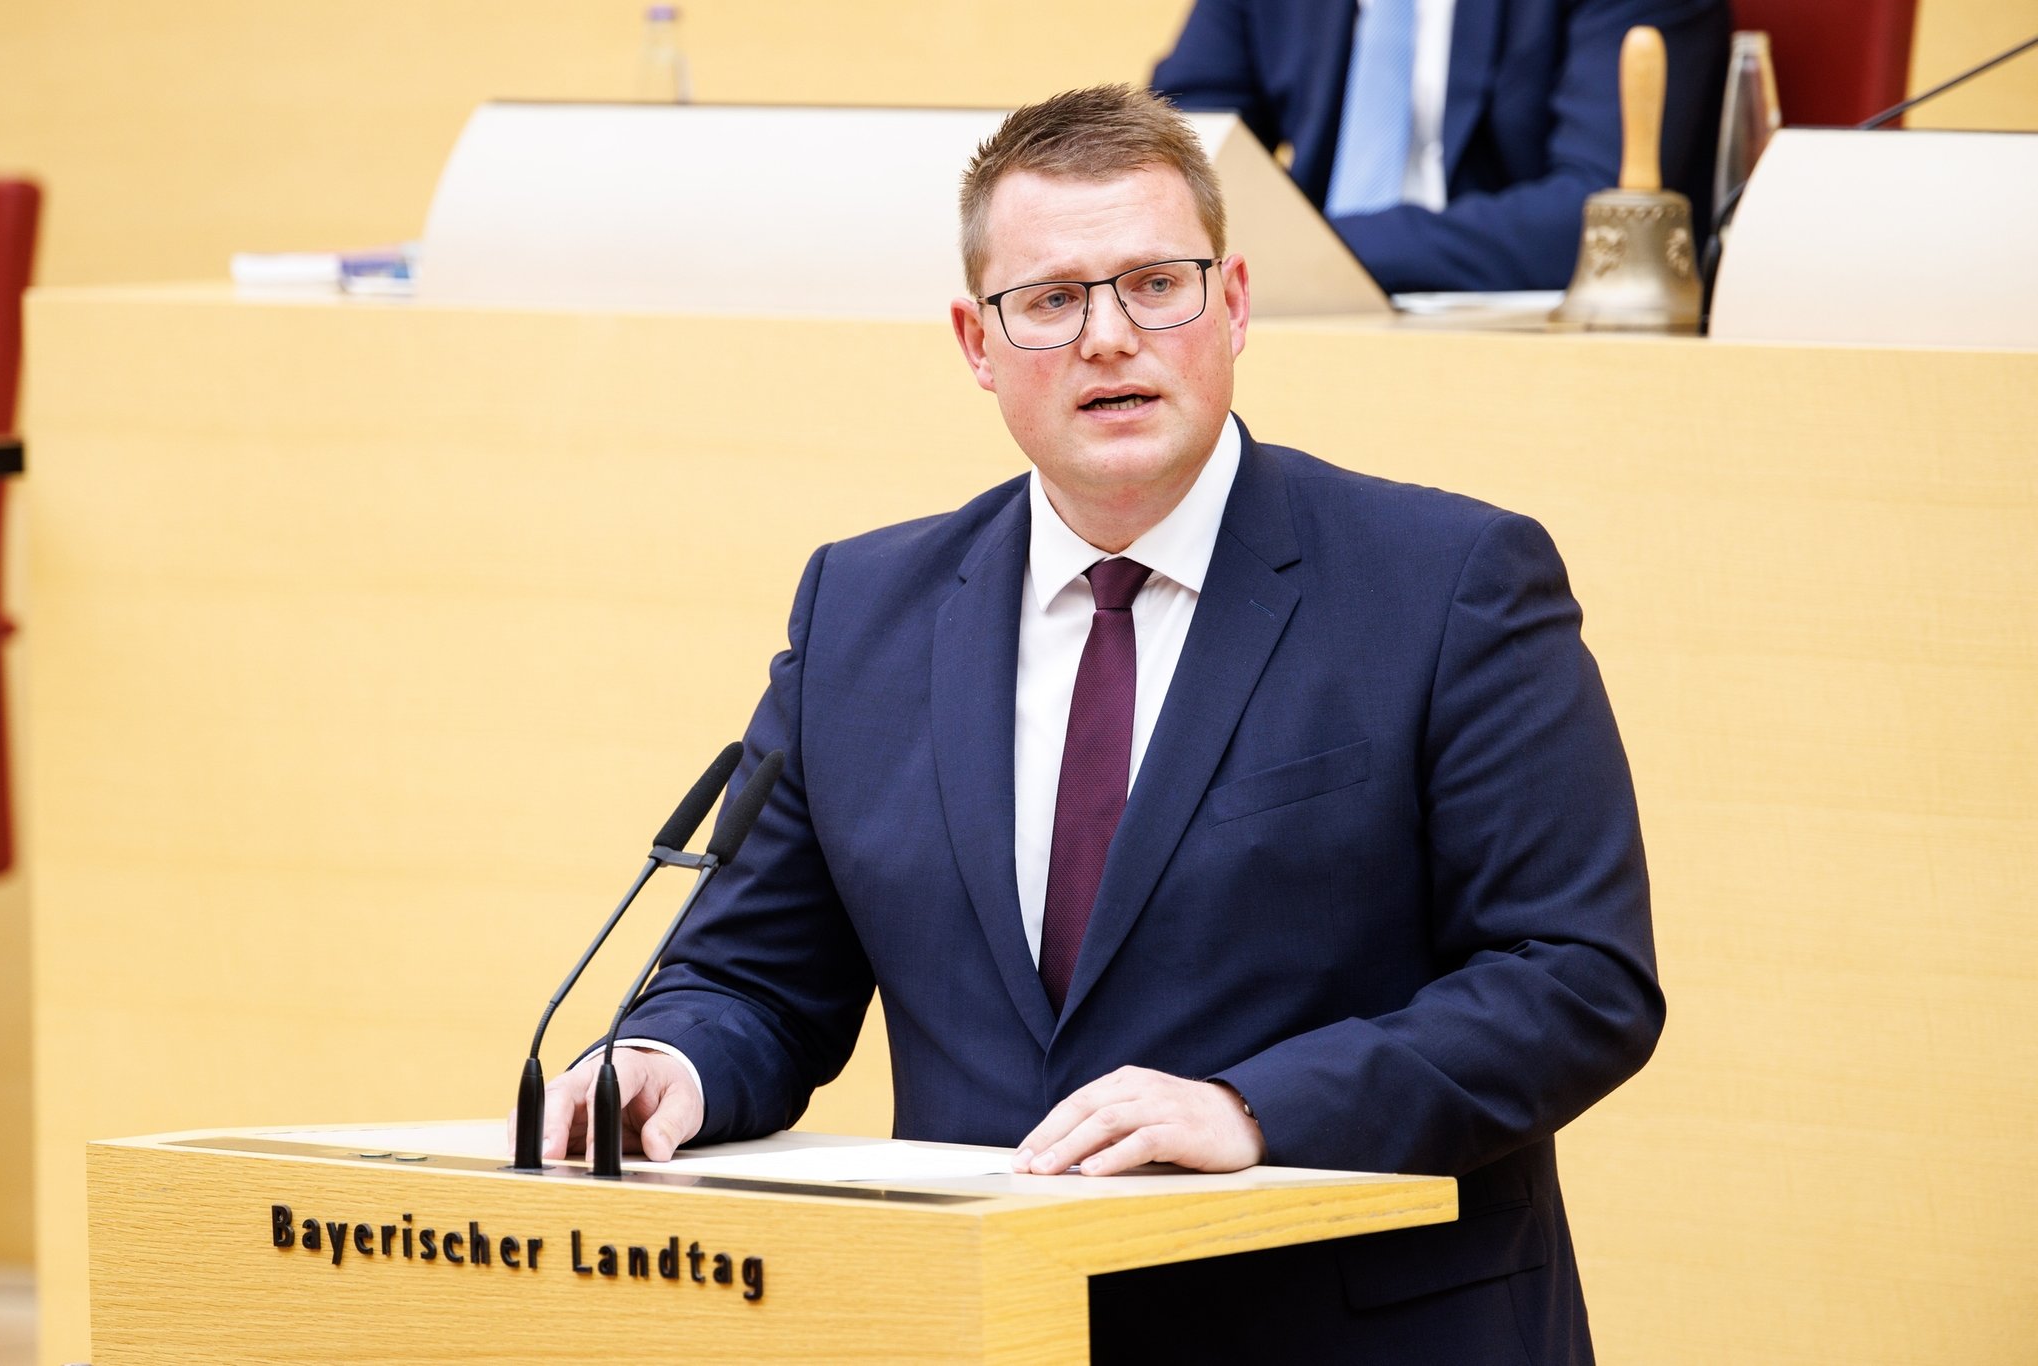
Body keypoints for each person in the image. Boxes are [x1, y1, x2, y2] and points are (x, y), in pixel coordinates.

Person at [528, 84, 1661, 1362]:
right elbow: (754, 977)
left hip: (1342, 1326)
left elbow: (1574, 977)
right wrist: (668, 1065)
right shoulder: (865, 613)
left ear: (1231, 302)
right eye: (1052, 299)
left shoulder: (1446, 583)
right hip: (994, 1327)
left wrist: (1254, 1106)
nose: (1109, 337)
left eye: (1153, 284)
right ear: (974, 339)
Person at [1151, 0, 1732, 293]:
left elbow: (1604, 227)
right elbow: (1172, 151)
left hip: (1514, 347)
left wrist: (1320, 251)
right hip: (1291, 325)